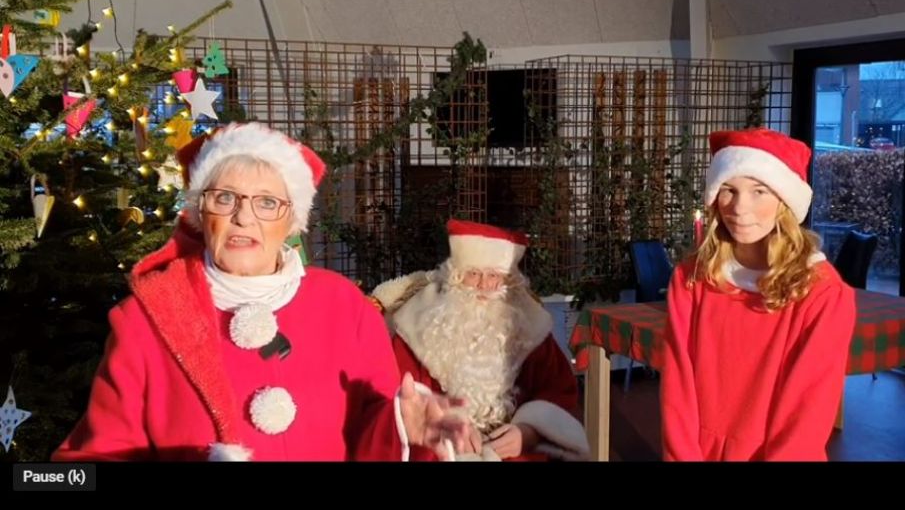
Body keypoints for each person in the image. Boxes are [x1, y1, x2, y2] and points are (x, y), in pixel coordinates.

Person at [53, 122, 472, 461]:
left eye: (266, 203)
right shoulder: (144, 320)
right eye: (224, 198)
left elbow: (372, 432)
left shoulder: (344, 306)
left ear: (291, 220)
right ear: (201, 212)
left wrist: (403, 426)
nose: (243, 218)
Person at [661, 128, 856, 461]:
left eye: (759, 191)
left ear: (784, 200)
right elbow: (677, 390)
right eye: (728, 189)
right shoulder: (691, 279)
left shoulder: (823, 294)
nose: (739, 207)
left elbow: (807, 414)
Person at [371, 219, 589, 461]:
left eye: (494, 275)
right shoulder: (417, 327)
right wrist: (446, 427)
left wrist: (529, 432)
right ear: (455, 276)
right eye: (473, 274)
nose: (484, 286)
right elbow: (396, 396)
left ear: (509, 282)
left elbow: (559, 391)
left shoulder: (529, 328)